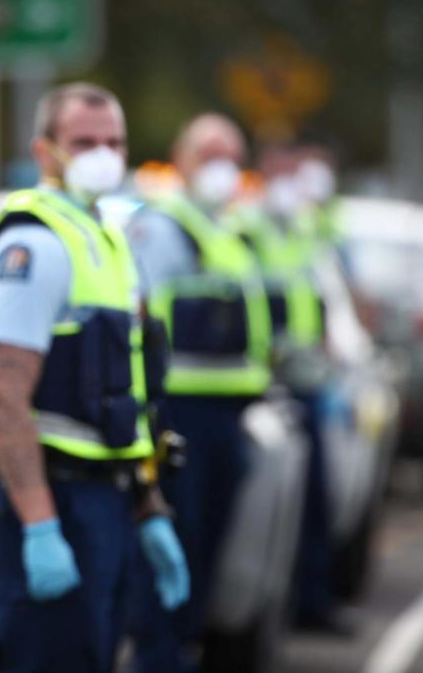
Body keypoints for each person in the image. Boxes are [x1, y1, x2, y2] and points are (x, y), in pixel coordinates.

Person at [0, 82, 190, 673]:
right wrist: (40, 526)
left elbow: (125, 397)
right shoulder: (35, 246)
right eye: (84, 141)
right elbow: (6, 396)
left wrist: (149, 508)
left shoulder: (106, 240)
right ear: (45, 152)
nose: (103, 154)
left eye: (114, 141)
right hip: (55, 501)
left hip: (107, 501)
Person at [124, 114, 273, 671]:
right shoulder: (163, 227)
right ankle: (157, 657)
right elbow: (139, 316)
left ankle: (179, 650)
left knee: (206, 548)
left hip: (228, 413)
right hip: (179, 412)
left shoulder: (227, 229)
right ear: (182, 160)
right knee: (174, 547)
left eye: (231, 156)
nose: (222, 167)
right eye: (209, 154)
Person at [244, 147, 351, 635]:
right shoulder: (248, 229)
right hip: (269, 385)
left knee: (315, 501)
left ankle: (314, 602)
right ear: (265, 174)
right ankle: (284, 606)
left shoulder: (306, 227)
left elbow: (319, 298)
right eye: (280, 172)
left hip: (309, 382)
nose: (289, 181)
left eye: (294, 172)